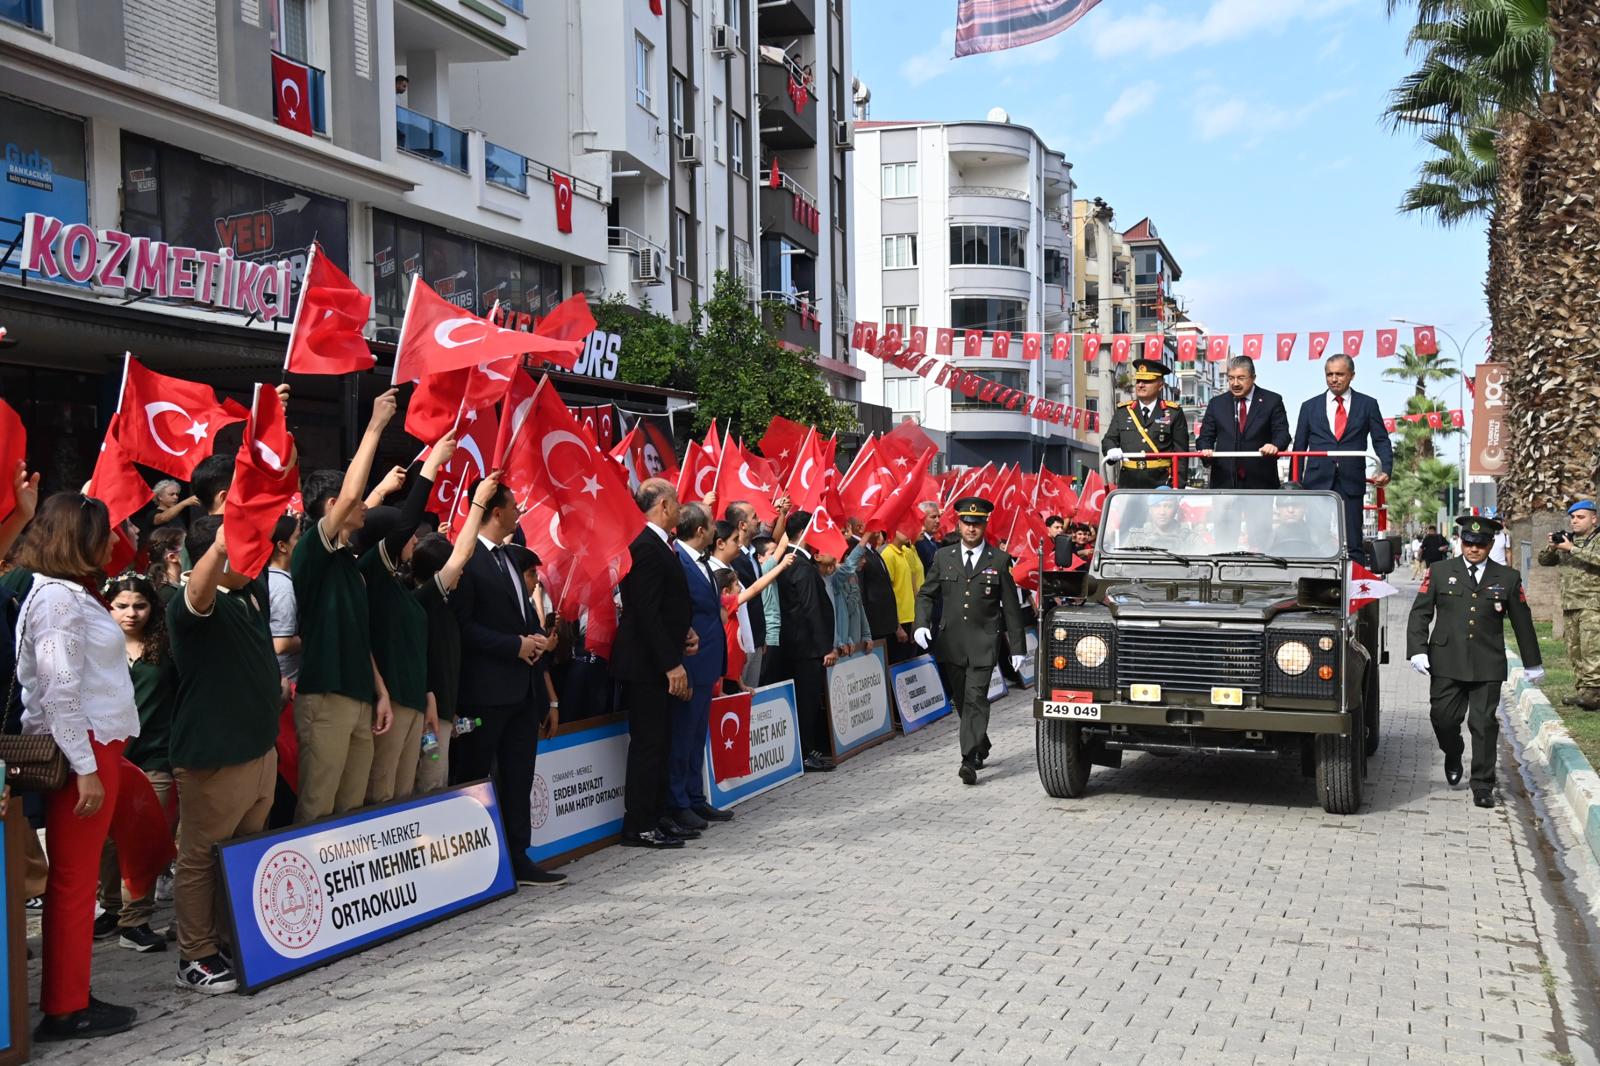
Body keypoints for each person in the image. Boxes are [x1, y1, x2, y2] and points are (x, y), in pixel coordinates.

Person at [16, 490, 172, 1040]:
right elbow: (59, 692)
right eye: (104, 531)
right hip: (81, 748)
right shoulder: (58, 600)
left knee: (76, 882)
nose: (112, 540)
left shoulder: (65, 595)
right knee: (75, 883)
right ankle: (64, 1006)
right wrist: (84, 766)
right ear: (77, 537)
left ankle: (72, 995)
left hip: (93, 746)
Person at [167, 515, 283, 994]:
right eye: (244, 547)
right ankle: (195, 956)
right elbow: (198, 590)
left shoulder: (248, 595)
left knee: (239, 855)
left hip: (258, 751)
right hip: (215, 756)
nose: (256, 556)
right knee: (198, 857)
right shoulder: (192, 604)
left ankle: (229, 938)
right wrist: (217, 548)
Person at [291, 389, 397, 823]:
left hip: (358, 697)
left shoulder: (348, 564)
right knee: (317, 807)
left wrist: (381, 691)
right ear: (332, 507)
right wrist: (374, 426)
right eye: (354, 504)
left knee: (350, 808)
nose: (364, 509)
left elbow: (358, 636)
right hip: (326, 697)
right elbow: (354, 497)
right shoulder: (312, 553)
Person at [450, 478, 562, 884]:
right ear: (495, 512)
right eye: (514, 505)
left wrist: (533, 639)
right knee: (477, 774)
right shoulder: (466, 559)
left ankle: (518, 856)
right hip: (484, 692)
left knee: (519, 777)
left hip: (522, 690)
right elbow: (462, 628)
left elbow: (522, 618)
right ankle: (470, 862)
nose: (520, 512)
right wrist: (511, 645)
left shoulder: (512, 559)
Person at [1408, 515, 1542, 808]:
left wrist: (1533, 662)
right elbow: (1420, 613)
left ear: (1490, 544)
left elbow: (1522, 621)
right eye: (1468, 542)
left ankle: (1483, 785)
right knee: (1443, 719)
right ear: (1460, 541)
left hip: (1486, 662)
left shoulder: (1507, 577)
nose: (1473, 549)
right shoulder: (1440, 571)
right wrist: (1417, 649)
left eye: (1480, 544)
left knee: (1483, 724)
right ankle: (1453, 751)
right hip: (1445, 660)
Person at [357, 441, 452, 806]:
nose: (413, 537)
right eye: (403, 533)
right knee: (381, 793)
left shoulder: (398, 584)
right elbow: (404, 525)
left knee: (403, 795)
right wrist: (429, 469)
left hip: (413, 700)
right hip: (391, 703)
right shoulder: (373, 572)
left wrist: (427, 693)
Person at [913, 497, 1027, 785]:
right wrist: (920, 624)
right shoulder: (943, 556)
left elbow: (1011, 607)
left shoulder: (999, 560)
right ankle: (981, 744)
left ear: (985, 525)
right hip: (951, 642)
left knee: (976, 699)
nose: (971, 528)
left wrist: (1017, 646)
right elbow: (927, 594)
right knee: (962, 700)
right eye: (966, 522)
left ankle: (967, 761)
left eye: (977, 523)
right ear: (958, 524)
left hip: (983, 643)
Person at [97, 575, 178, 954]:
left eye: (140, 605)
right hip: (109, 756)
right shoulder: (96, 647)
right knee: (110, 840)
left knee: (143, 838)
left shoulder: (166, 646)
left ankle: (136, 919)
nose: (131, 613)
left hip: (156, 755)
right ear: (108, 607)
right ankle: (112, 908)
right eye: (122, 606)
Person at [614, 479, 694, 849]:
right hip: (647, 666)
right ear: (663, 505)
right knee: (648, 744)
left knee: (661, 742)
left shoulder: (661, 545)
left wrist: (684, 634)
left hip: (661, 660)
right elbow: (645, 612)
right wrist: (669, 664)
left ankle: (658, 814)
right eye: (676, 502)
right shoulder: (645, 546)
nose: (680, 509)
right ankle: (639, 823)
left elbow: (665, 606)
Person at [408, 476, 498, 792]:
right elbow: (463, 554)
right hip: (426, 721)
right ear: (438, 575)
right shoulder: (423, 602)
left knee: (439, 779)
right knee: (429, 783)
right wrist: (479, 504)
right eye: (452, 569)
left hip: (444, 715)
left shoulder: (444, 605)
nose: (460, 573)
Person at [660, 504, 730, 837]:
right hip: (690, 663)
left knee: (697, 735)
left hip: (708, 662)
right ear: (700, 531)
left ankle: (695, 795)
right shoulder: (678, 561)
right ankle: (678, 801)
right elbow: (678, 613)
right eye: (711, 524)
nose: (717, 530)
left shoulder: (702, 563)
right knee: (682, 736)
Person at [1290, 354, 1393, 563]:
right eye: (1329, 374)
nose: (1334, 379)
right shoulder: (1309, 406)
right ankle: (1318, 585)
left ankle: (1354, 590)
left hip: (1351, 480)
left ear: (1352, 376)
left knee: (1353, 540)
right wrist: (1295, 483)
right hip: (1317, 482)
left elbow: (1381, 440)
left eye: (1339, 374)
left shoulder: (1368, 404)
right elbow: (1299, 447)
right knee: (1316, 539)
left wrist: (1386, 470)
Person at [768, 510, 839, 772]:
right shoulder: (801, 565)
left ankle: (807, 749)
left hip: (797, 645)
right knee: (807, 701)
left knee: (805, 700)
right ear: (804, 532)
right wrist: (825, 647)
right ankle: (806, 753)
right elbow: (812, 609)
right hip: (806, 647)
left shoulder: (791, 562)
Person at [1537, 500, 1600, 709]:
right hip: (1570, 603)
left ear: (1594, 519)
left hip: (1593, 603)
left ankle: (1594, 693)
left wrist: (1572, 549)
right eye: (1573, 517)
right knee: (1575, 650)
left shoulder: (1596, 538)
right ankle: (1582, 690)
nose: (1575, 521)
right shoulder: (1568, 540)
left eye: (1580, 517)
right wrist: (1554, 546)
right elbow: (1543, 561)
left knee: (1592, 649)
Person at [1196, 356, 1291, 488]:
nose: (1235, 383)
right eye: (1231, 378)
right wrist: (1205, 449)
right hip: (1224, 481)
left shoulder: (1272, 401)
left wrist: (1274, 445)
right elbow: (1205, 437)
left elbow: (1283, 434)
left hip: (1260, 481)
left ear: (1253, 378)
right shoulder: (1216, 404)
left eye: (1241, 378)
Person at [1101, 359, 1189, 488]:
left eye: (1147, 381)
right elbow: (1109, 439)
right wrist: (1111, 449)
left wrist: (1177, 488)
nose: (1141, 385)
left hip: (1161, 483)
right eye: (1138, 381)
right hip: (1129, 483)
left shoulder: (1173, 412)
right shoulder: (1124, 411)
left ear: (1160, 385)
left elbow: (1181, 455)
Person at [881, 527, 924, 664]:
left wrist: (916, 617)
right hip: (899, 620)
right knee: (897, 664)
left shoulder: (905, 552)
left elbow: (912, 587)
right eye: (905, 528)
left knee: (909, 664)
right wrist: (897, 626)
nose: (909, 531)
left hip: (909, 618)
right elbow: (887, 593)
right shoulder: (888, 554)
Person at [1121, 493, 1194, 552]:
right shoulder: (1135, 538)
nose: (1162, 512)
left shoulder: (1190, 538)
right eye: (1157, 506)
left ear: (1176, 510)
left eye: (1168, 506)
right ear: (1150, 509)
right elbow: (1122, 564)